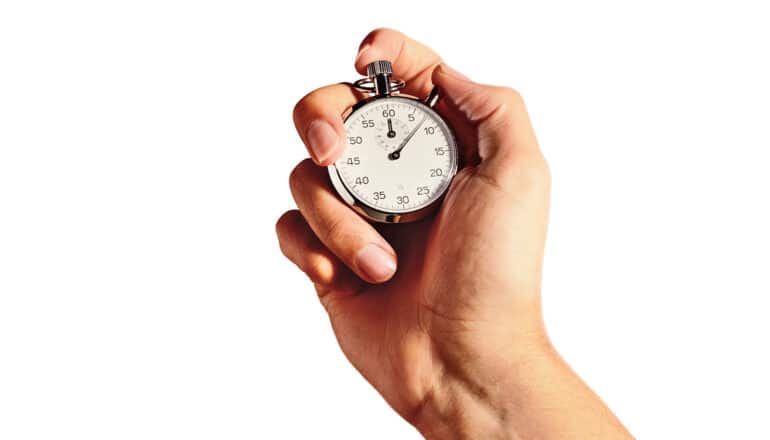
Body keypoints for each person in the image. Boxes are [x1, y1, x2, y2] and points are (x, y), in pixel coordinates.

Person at [276, 28, 632, 439]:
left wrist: (475, 361)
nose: (393, 156)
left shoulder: (455, 146)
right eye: (389, 153)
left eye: (401, 149)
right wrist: (456, 375)